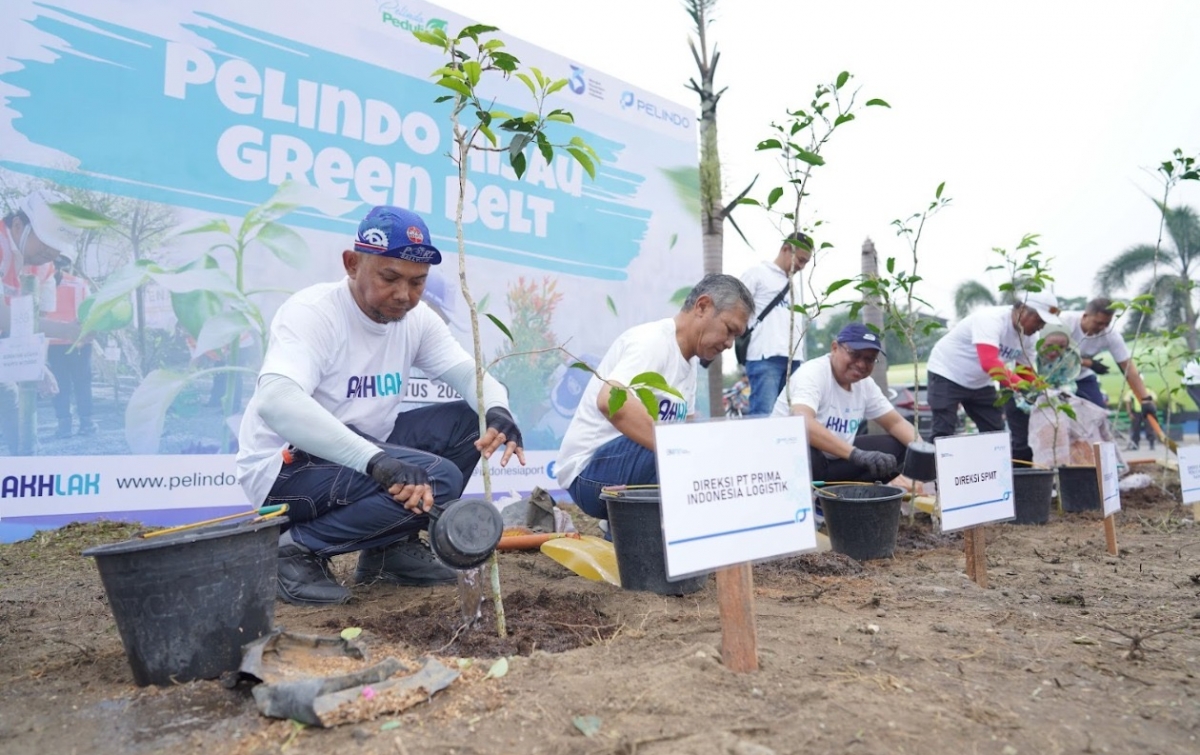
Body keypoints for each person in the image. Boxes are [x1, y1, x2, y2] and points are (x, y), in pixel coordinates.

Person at [236, 205, 525, 606]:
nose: (404, 295)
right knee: (436, 479)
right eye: (389, 277)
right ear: (352, 264)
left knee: (469, 421)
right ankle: (292, 550)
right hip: (284, 473)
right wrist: (375, 461)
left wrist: (498, 411)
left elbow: (470, 377)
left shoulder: (416, 319)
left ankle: (389, 552)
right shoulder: (314, 313)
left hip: (359, 452)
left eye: (418, 282)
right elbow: (275, 402)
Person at [555, 274, 754, 521]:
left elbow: (689, 428)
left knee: (696, 449)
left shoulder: (689, 365)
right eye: (729, 330)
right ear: (702, 306)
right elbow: (610, 400)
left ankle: (627, 539)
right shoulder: (653, 342)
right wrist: (684, 450)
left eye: (736, 336)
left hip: (623, 469)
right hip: (588, 473)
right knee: (677, 448)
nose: (729, 344)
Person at [925, 291, 1061, 463]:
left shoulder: (1030, 337)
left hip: (981, 382)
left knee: (995, 436)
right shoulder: (990, 319)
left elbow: (1025, 371)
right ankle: (933, 481)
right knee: (943, 432)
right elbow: (989, 362)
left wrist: (1044, 391)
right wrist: (1027, 388)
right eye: (1039, 320)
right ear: (1022, 310)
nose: (1041, 327)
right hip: (947, 372)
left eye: (1044, 323)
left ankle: (994, 480)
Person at [772, 323, 918, 483]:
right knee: (805, 450)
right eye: (855, 354)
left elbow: (895, 423)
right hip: (792, 462)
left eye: (869, 359)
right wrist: (857, 454)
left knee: (898, 448)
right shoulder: (812, 374)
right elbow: (801, 423)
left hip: (835, 460)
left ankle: (848, 498)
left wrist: (925, 454)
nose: (861, 364)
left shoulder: (866, 385)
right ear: (834, 348)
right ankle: (818, 498)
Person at [1, 189, 82, 454]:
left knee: (14, 407)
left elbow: (37, 324)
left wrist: (38, 366)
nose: (50, 253)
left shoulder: (45, 268)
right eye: (45, 242)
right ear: (17, 225)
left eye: (56, 247)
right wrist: (66, 330)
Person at [738, 231, 813, 415]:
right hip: (765, 357)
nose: (802, 267)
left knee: (790, 417)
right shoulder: (757, 274)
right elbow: (735, 309)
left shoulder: (793, 286)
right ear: (786, 249)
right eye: (801, 260)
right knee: (764, 416)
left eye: (806, 263)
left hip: (794, 360)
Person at [1059, 297, 1156, 416]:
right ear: (1085, 316)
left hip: (1081, 377)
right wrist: (1089, 363)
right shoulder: (1064, 322)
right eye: (1098, 323)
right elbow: (1053, 354)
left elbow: (1128, 367)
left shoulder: (1110, 335)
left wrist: (1145, 399)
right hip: (1054, 377)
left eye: (1106, 323)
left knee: (1099, 415)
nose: (1102, 328)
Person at [44, 267, 96, 437]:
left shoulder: (42, 282)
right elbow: (91, 311)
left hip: (53, 341)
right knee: (82, 382)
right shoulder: (80, 284)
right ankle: (87, 423)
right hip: (79, 341)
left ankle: (64, 425)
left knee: (60, 385)